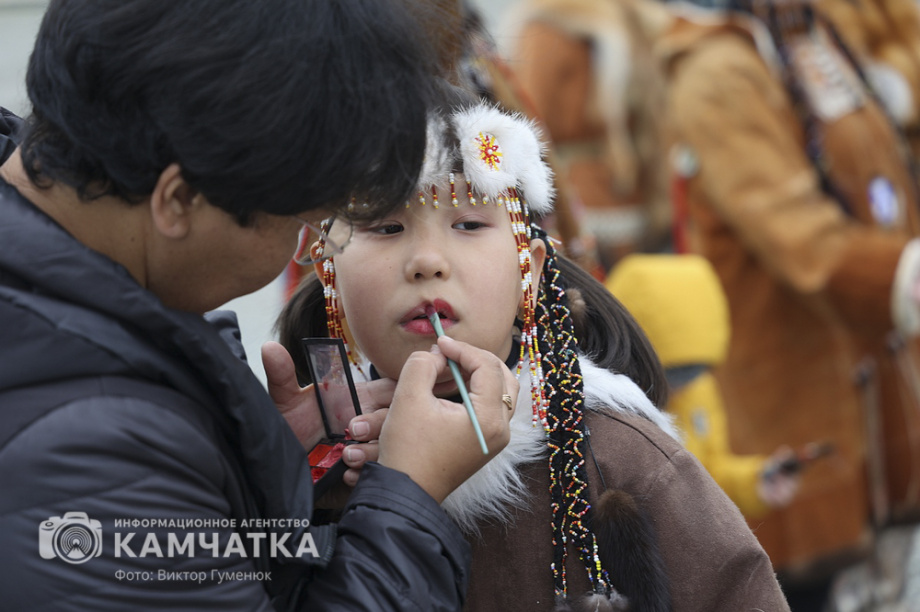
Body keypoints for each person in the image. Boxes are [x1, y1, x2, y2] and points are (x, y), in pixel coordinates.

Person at [0, 1, 515, 610]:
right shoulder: (86, 452)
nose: (302, 241)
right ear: (180, 201)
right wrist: (409, 494)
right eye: (300, 218)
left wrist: (245, 466)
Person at [277, 101, 790, 611]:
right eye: (386, 228)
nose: (426, 262)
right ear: (329, 274)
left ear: (532, 267)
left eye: (470, 224)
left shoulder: (619, 459)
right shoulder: (309, 468)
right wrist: (278, 480)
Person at [660, 0, 920, 605]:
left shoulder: (803, 32)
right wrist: (904, 276)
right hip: (791, 390)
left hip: (868, 376)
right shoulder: (717, 70)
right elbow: (799, 236)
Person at [606, 253, 801, 518]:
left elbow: (709, 471)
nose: (683, 385)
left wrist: (756, 480)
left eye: (696, 370)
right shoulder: (609, 406)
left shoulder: (699, 388)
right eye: (673, 373)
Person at [503, 0, 674, 271]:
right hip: (635, 190)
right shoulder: (635, 19)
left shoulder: (547, 27)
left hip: (574, 197)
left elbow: (528, 116)